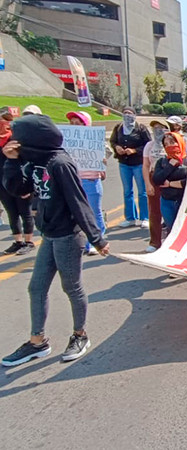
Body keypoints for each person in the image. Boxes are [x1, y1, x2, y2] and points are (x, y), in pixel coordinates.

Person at [1, 114, 109, 367]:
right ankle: (37, 341)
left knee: (72, 287)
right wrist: (11, 162)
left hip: (68, 236)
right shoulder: (31, 162)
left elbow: (78, 201)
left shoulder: (60, 163)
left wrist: (97, 238)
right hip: (48, 234)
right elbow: (18, 189)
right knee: (36, 288)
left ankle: (80, 335)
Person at [67, 111, 106, 256]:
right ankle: (80, 242)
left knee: (93, 213)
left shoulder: (95, 141)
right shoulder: (67, 142)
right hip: (74, 181)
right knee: (75, 213)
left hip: (91, 180)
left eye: (78, 123)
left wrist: (102, 163)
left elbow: (104, 160)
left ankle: (97, 241)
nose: (74, 126)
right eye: (72, 123)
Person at [0, 107, 35, 255]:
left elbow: (27, 161)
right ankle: (18, 241)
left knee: (24, 211)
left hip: (20, 181)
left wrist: (28, 186)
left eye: (7, 120)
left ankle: (29, 241)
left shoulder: (18, 140)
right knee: (11, 212)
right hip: (2, 182)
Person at [109, 106, 150, 228]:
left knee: (142, 191)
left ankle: (145, 217)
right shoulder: (118, 128)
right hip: (124, 164)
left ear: (134, 115)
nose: (127, 116)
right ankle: (130, 217)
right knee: (127, 191)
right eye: (125, 113)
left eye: (130, 114)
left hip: (138, 164)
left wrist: (135, 150)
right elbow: (113, 141)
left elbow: (148, 145)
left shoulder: (141, 129)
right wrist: (117, 147)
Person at [142, 119, 170, 253]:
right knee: (154, 211)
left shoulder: (172, 142)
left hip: (170, 178)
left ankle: (171, 242)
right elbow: (146, 165)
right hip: (154, 177)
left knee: (170, 212)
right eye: (155, 128)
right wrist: (147, 183)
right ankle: (155, 242)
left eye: (161, 128)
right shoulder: (149, 145)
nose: (157, 130)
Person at [152, 132, 187, 234]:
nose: (169, 146)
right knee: (171, 230)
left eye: (172, 143)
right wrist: (170, 166)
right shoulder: (162, 162)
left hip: (183, 201)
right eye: (166, 144)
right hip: (167, 201)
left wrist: (170, 184)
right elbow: (157, 180)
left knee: (182, 230)